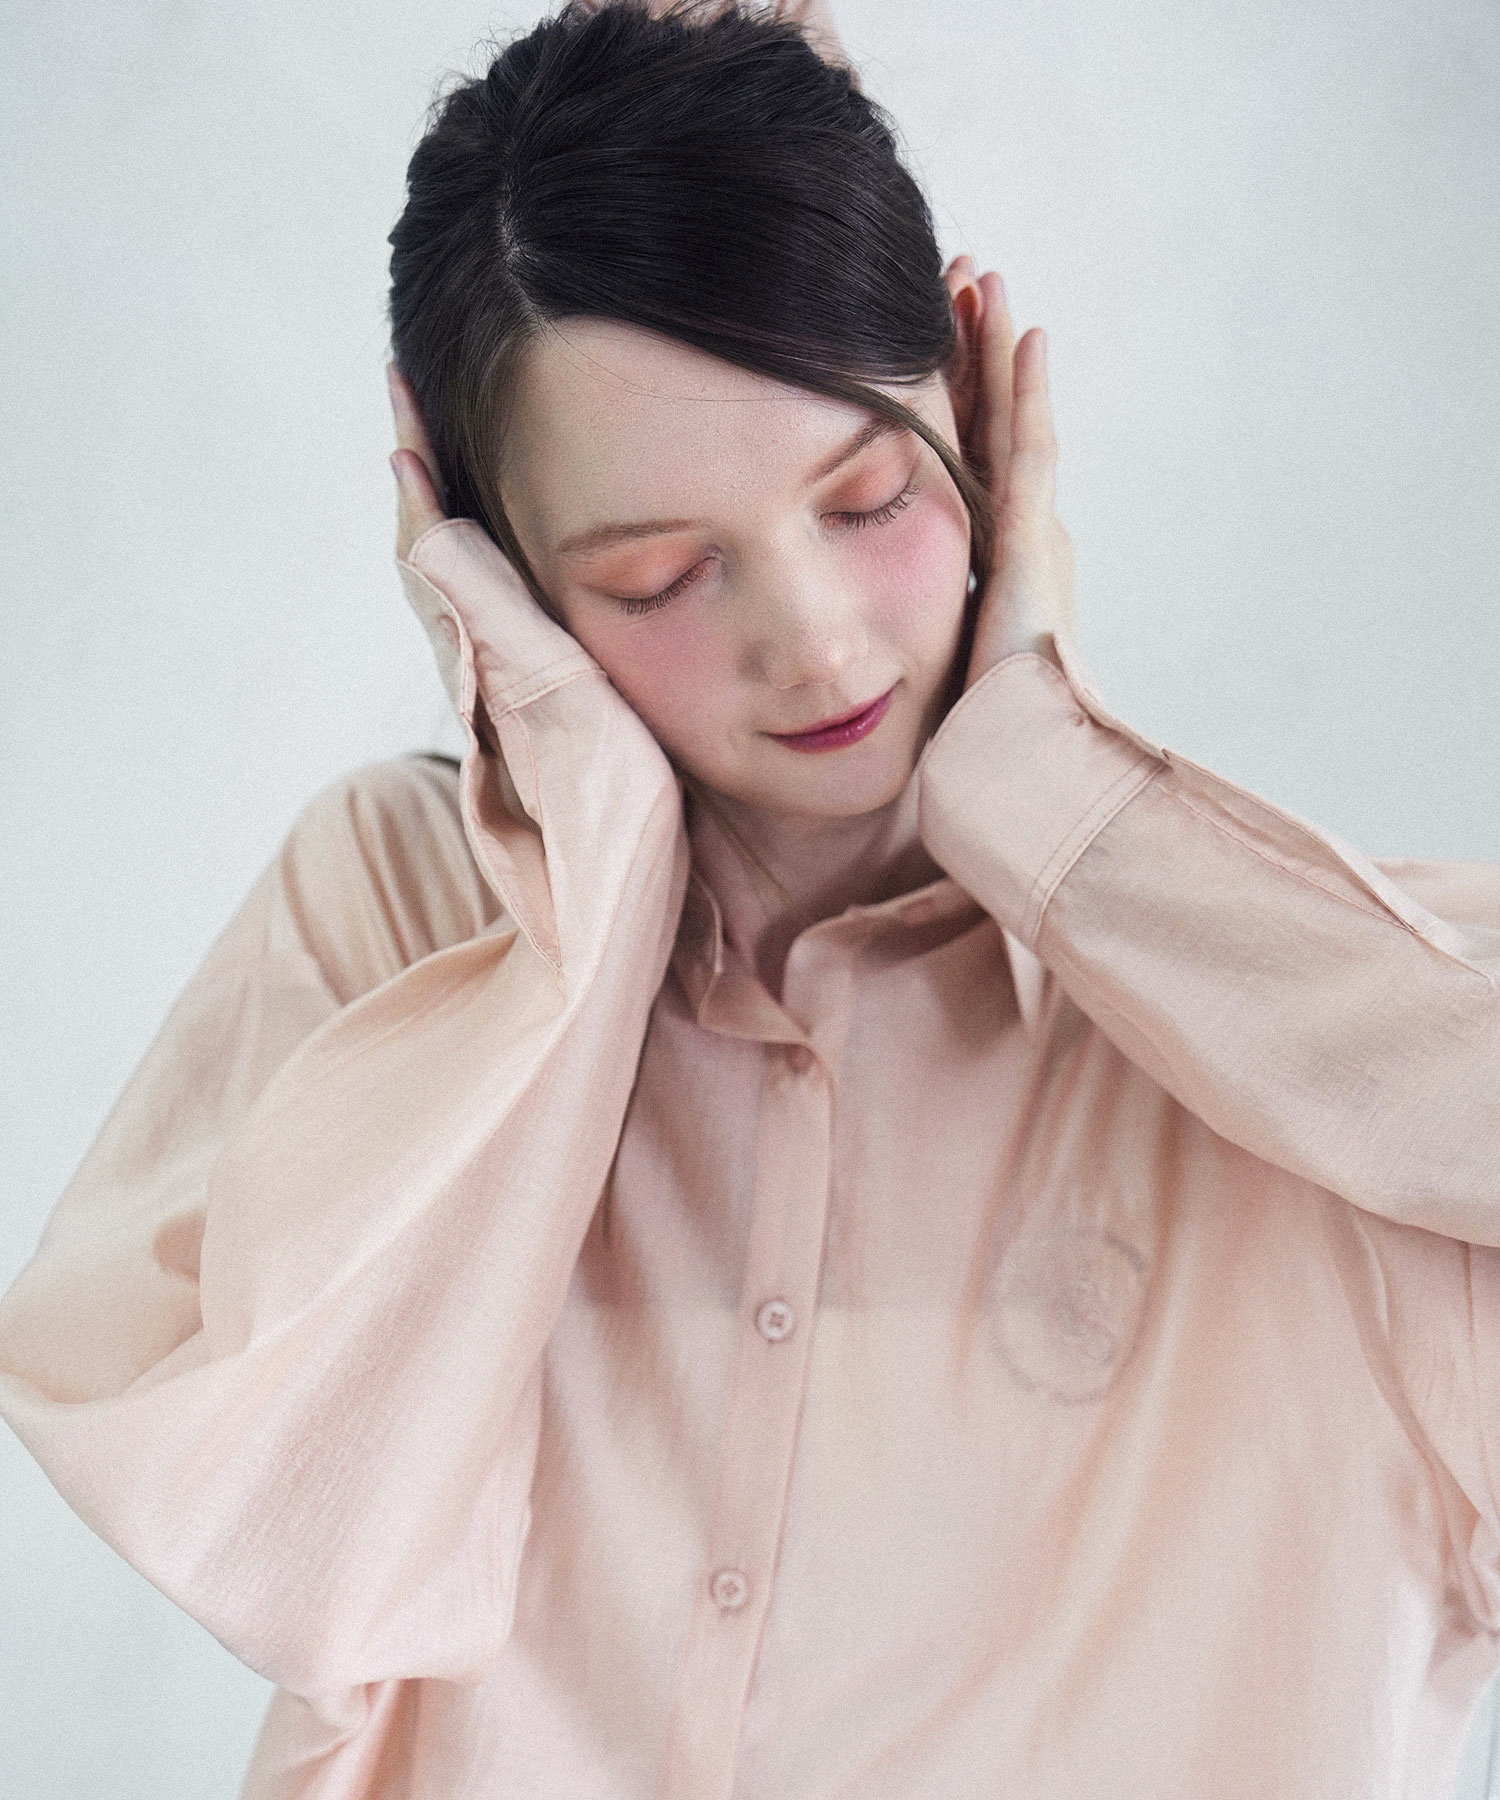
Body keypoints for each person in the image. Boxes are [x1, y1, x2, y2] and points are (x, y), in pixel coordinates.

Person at [2, 2, 1498, 1795]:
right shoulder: (398, 911)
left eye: (866, 498)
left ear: (966, 391)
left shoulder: (1313, 1035)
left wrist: (1056, 797)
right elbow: (299, 1552)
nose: (815, 639)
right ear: (491, 574)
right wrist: (589, 892)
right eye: (657, 576)